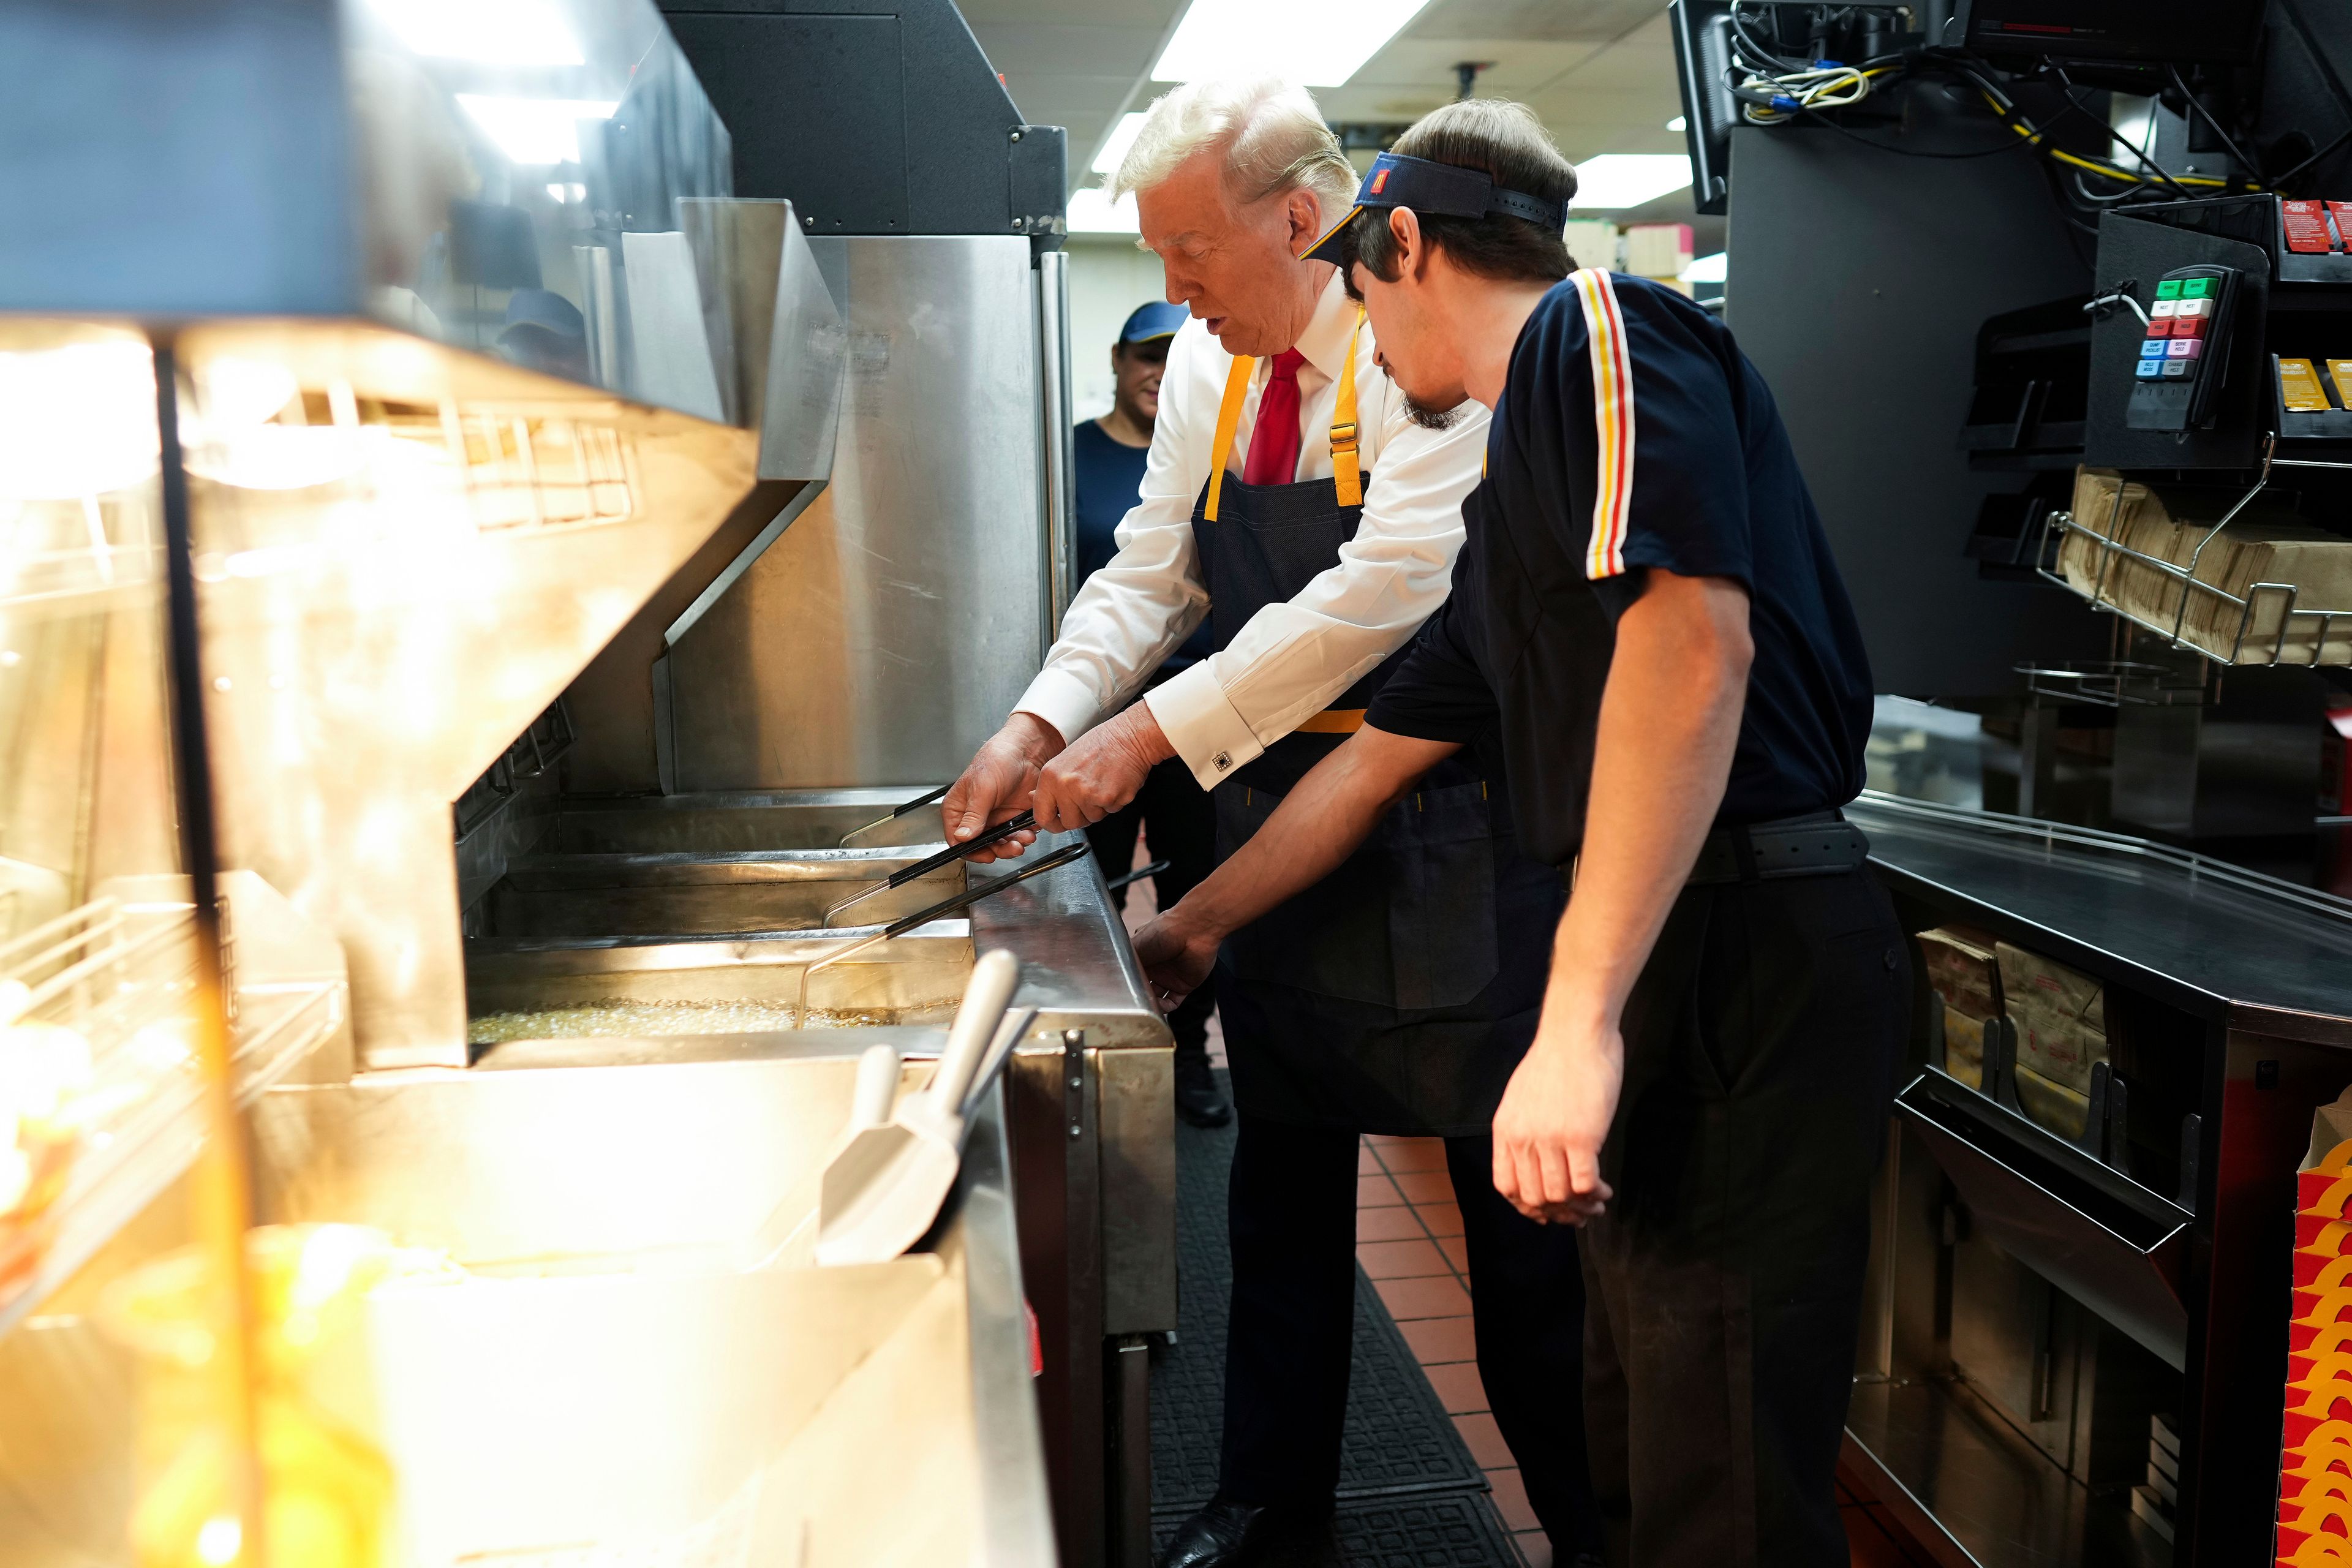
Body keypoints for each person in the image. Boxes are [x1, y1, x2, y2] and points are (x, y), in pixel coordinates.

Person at [1134, 99, 1907, 1567]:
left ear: (1405, 243)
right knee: (1626, 1435)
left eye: (1361, 289)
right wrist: (1188, 930)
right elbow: (1365, 772)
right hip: (1667, 967)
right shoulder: (1510, 526)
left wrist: (1576, 1017)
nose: (1363, 332)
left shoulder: (1597, 330)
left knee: (1718, 1477)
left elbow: (1693, 646)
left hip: (1743, 951)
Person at [941, 78, 1601, 1568]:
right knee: (1282, 1186)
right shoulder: (1205, 367)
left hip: (1445, 816)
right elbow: (1149, 574)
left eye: (1187, 252)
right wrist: (1038, 722)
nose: (1170, 293)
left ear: (1299, 218)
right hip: (1270, 815)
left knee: (1514, 1231)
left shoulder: (1419, 341)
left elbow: (1397, 579)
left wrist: (1145, 732)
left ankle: (1579, 1514)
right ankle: (1271, 1499)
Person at [1075, 301, 1230, 1128]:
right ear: (1117, 358)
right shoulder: (1071, 454)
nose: (1161, 374)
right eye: (1147, 357)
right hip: (1101, 717)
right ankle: (1096, 1046)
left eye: (1178, 358)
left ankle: (1190, 1056)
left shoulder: (1213, 459)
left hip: (1201, 716)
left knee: (1194, 886)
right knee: (1088, 890)